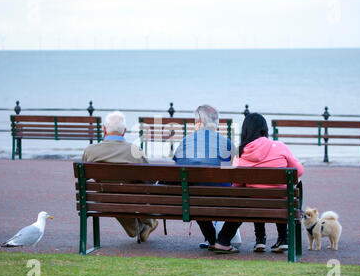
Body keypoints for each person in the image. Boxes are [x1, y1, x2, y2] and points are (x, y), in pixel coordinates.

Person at [173, 105, 241, 254]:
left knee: (195, 192)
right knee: (242, 199)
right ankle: (223, 240)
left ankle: (212, 240)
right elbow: (232, 173)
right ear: (216, 123)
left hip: (190, 201)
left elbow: (176, 166)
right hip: (222, 200)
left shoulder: (184, 142)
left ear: (197, 122)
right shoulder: (227, 143)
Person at [232, 113, 304, 253]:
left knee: (255, 192)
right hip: (282, 202)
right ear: (264, 130)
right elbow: (299, 171)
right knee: (282, 192)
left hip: (254, 203)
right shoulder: (280, 146)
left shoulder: (241, 152)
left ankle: (260, 240)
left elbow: (236, 184)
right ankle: (283, 239)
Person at [82, 111, 158, 242]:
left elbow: (83, 178)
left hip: (104, 200)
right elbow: (149, 180)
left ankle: (138, 229)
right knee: (138, 189)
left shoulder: (90, 151)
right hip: (133, 199)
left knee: (111, 194)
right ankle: (146, 224)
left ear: (104, 129)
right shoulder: (134, 150)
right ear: (124, 131)